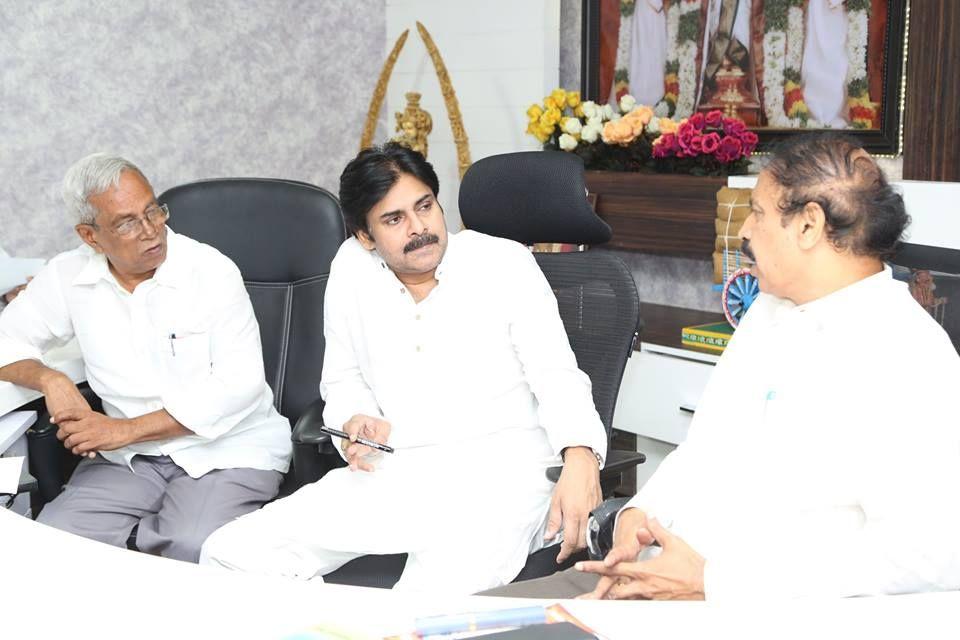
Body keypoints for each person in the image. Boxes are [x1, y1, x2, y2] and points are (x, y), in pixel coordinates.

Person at [487, 132, 960, 599]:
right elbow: (704, 450)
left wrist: (711, 581)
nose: (746, 231)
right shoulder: (769, 310)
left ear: (809, 226)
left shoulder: (908, 355)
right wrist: (639, 514)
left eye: (758, 212)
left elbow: (927, 555)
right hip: (659, 581)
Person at [200, 142, 608, 593]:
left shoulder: (503, 263)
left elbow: (557, 375)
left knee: (422, 608)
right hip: (397, 471)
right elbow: (343, 378)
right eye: (394, 219)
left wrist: (581, 455)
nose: (420, 229)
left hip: (503, 479)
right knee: (229, 553)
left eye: (425, 207)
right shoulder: (351, 268)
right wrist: (354, 419)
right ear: (364, 235)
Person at [0, 153, 291, 562]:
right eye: (127, 222)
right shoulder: (68, 276)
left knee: (189, 546)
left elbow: (238, 387)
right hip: (128, 462)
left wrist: (123, 430)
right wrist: (53, 381)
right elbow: (6, 339)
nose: (152, 230)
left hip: (228, 450)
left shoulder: (210, 271)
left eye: (153, 210)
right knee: (53, 544)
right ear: (90, 236)